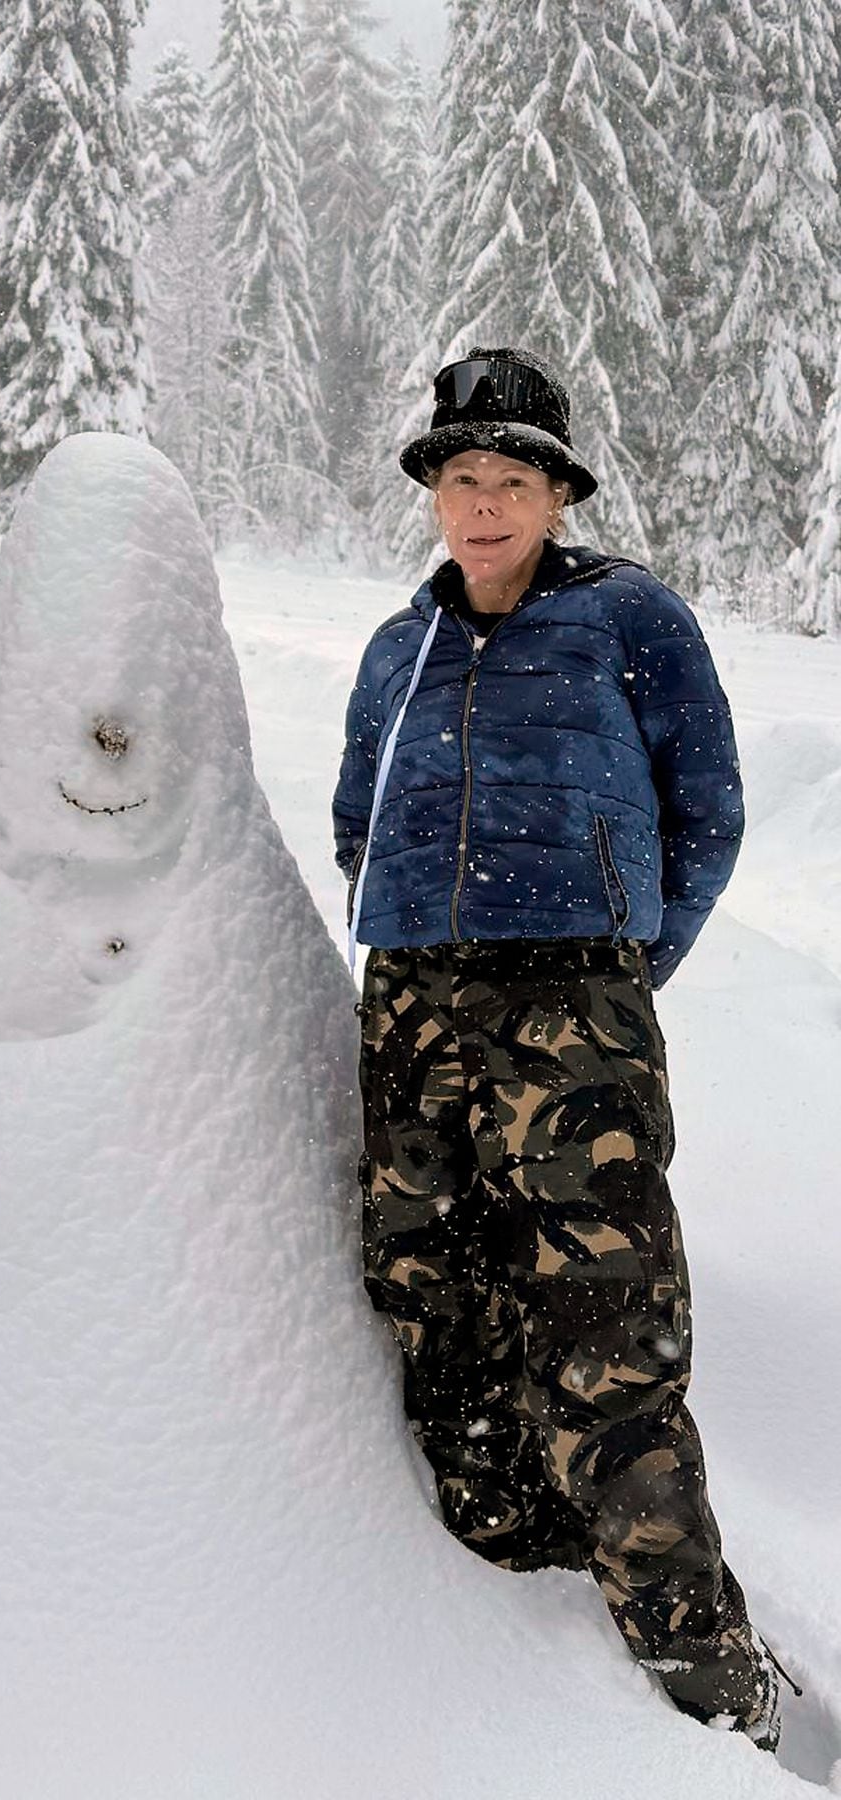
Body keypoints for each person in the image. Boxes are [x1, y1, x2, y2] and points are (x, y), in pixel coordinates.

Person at [333, 346, 795, 1749]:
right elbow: (360, 807)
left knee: (607, 1332)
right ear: (433, 491)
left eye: (511, 479)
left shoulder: (631, 621)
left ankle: (705, 1671)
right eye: (462, 478)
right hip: (413, 1006)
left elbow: (707, 811)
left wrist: (611, 972)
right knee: (431, 1289)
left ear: (556, 492)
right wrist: (408, 933)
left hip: (572, 1012)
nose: (484, 504)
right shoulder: (397, 645)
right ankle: (515, 1595)